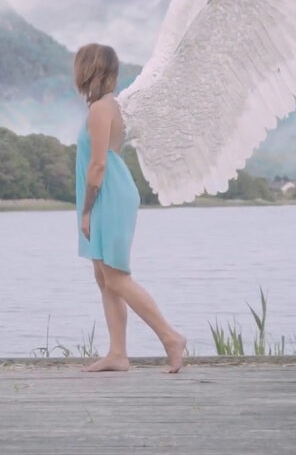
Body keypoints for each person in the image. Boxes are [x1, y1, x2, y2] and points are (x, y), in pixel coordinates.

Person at [73, 43, 187, 373]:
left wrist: (85, 211)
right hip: (110, 193)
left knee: (117, 277)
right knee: (104, 276)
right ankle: (118, 353)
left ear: (88, 70)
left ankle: (170, 337)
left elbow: (97, 166)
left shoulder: (99, 111)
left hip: (108, 196)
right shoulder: (108, 106)